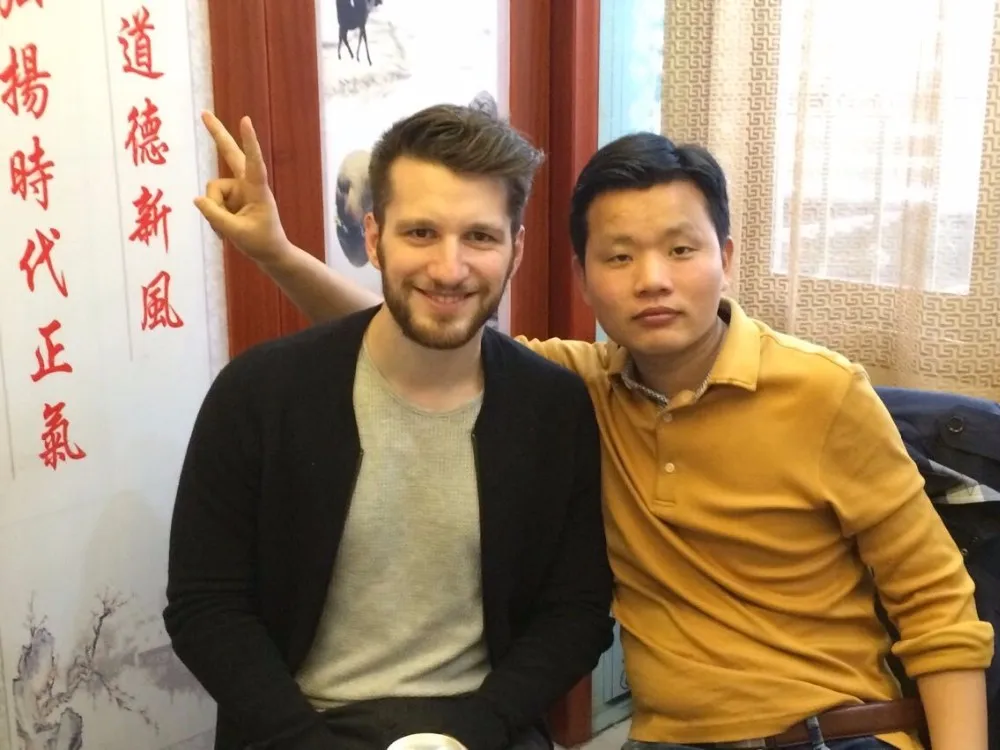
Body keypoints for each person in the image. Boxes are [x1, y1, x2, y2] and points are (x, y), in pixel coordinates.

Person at [192, 116, 995, 750]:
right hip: (671, 739)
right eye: (619, 256)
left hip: (836, 732)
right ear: (581, 277)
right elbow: (425, 325)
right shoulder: (578, 388)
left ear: (726, 255)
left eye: (681, 249)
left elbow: (939, 608)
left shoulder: (821, 391)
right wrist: (277, 254)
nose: (653, 279)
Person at [164, 105, 614, 750]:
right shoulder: (261, 392)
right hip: (297, 730)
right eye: (421, 233)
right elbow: (205, 606)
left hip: (481, 726)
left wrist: (479, 727)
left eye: (480, 237)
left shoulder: (552, 408)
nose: (449, 268)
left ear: (516, 248)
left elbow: (576, 611)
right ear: (374, 237)